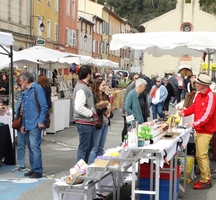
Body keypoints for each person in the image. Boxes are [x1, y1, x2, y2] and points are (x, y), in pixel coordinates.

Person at [178, 73, 216, 190]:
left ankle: (206, 180)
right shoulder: (199, 94)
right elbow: (194, 107)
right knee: (201, 155)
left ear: (203, 85)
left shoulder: (211, 96)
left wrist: (195, 124)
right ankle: (205, 178)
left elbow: (207, 115)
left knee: (201, 155)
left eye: (197, 83)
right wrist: (185, 112)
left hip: (206, 130)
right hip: (199, 129)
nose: (195, 84)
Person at [20, 72, 48, 178]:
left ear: (26, 80)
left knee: (35, 147)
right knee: (31, 147)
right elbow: (25, 110)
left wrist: (41, 121)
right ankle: (34, 168)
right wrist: (23, 124)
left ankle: (38, 170)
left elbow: (44, 106)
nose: (20, 83)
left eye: (21, 81)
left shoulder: (37, 88)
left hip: (35, 123)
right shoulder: (26, 91)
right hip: (28, 123)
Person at [73, 65, 97, 163]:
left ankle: (84, 168)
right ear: (88, 75)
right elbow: (78, 107)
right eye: (91, 73)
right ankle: (80, 170)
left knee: (87, 147)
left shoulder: (84, 87)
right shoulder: (81, 88)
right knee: (84, 148)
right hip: (84, 122)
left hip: (87, 122)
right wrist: (91, 113)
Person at [88, 77, 113, 164]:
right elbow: (96, 111)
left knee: (101, 147)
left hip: (105, 123)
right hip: (98, 124)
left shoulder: (105, 96)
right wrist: (105, 107)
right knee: (94, 147)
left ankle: (99, 166)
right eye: (103, 85)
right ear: (98, 85)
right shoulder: (93, 96)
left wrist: (110, 114)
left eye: (105, 85)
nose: (105, 87)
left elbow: (110, 109)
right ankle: (91, 166)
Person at [12, 76, 27, 172]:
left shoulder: (30, 92)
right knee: (21, 144)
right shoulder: (20, 93)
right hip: (20, 120)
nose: (19, 85)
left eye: (20, 83)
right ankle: (21, 164)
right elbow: (18, 108)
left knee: (31, 144)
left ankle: (35, 166)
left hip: (28, 121)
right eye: (18, 83)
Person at [121, 74, 139, 142]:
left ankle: (128, 140)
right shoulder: (131, 86)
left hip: (131, 111)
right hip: (128, 111)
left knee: (131, 126)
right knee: (127, 126)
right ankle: (123, 141)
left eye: (138, 78)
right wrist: (126, 111)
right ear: (133, 79)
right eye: (135, 78)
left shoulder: (136, 86)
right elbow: (126, 99)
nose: (136, 79)